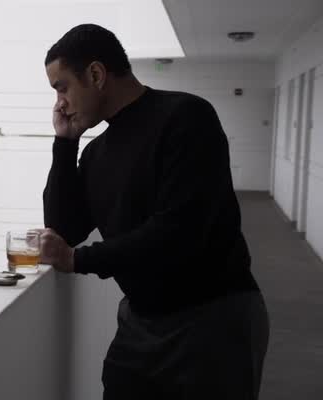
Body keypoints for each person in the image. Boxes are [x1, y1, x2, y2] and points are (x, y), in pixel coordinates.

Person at [38, 24, 269, 400]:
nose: (59, 102)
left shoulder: (186, 117)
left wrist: (78, 260)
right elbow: (64, 227)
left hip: (213, 320)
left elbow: (179, 232)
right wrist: (65, 143)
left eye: (62, 87)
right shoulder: (96, 153)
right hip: (139, 324)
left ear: (96, 75)